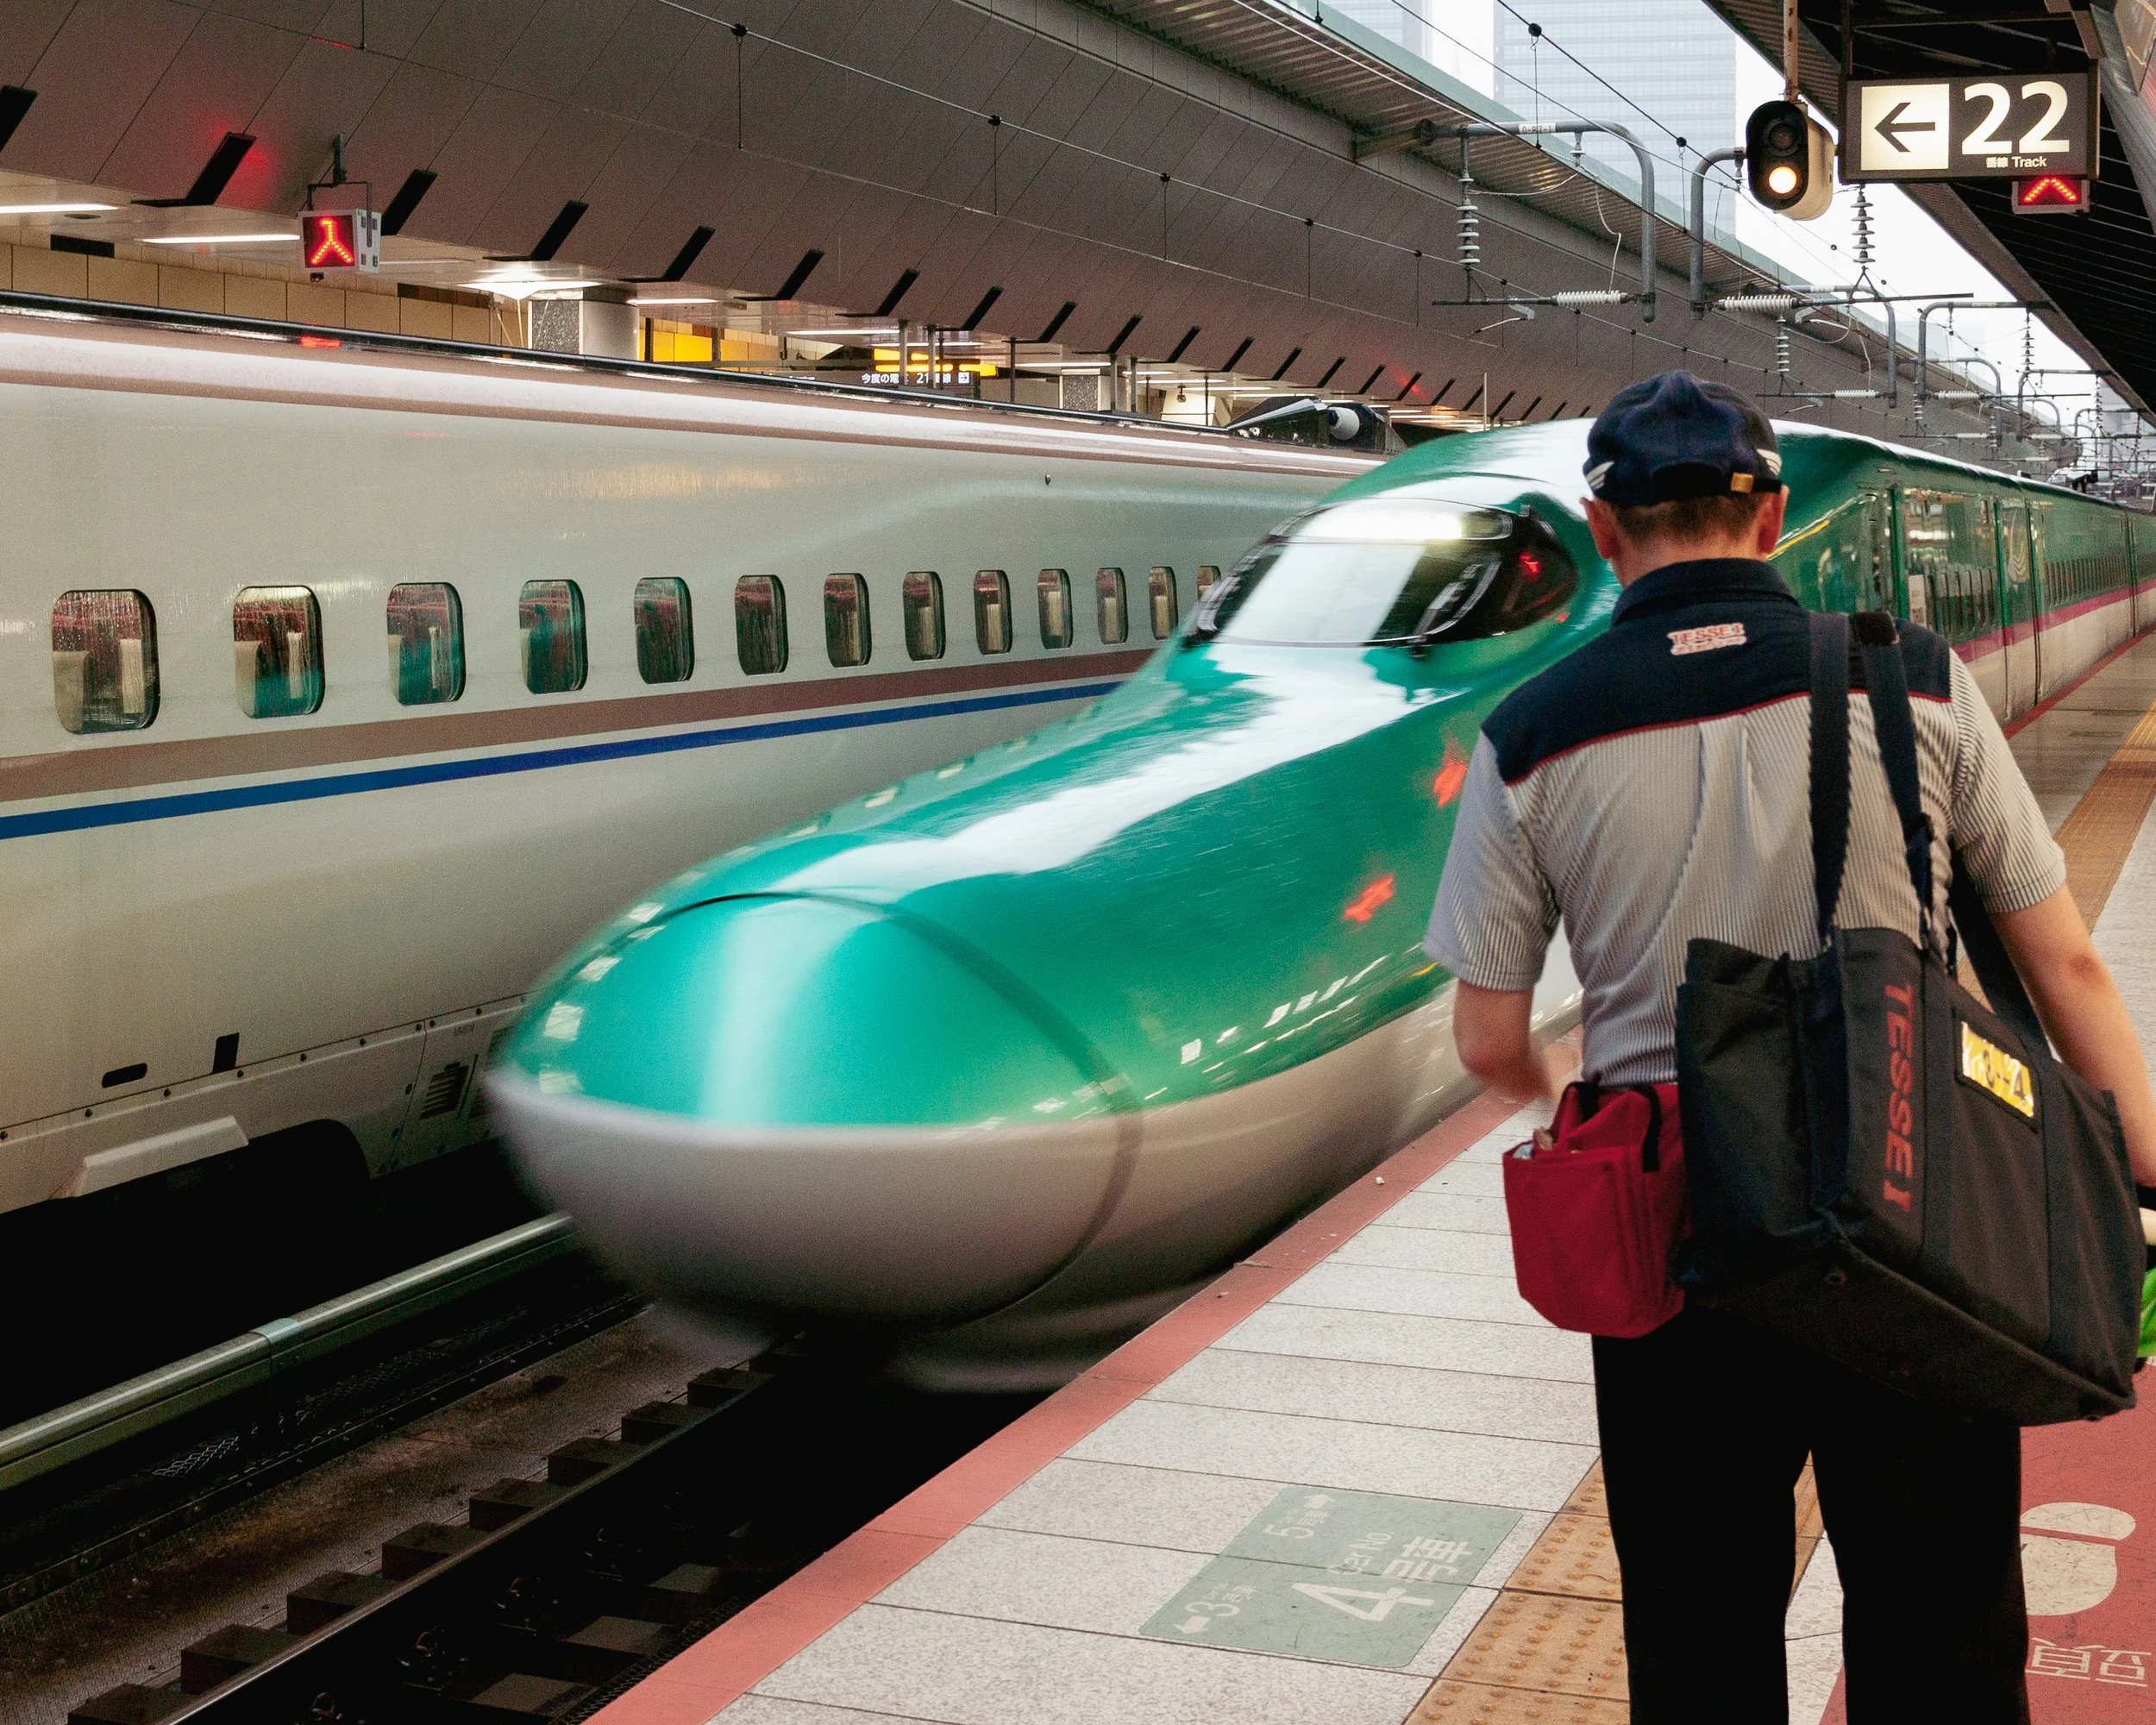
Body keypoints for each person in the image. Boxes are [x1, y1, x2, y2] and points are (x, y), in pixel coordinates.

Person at [1423, 370, 2156, 1724]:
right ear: (1768, 523)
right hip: (1914, 1199)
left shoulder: (1526, 737)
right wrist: (2143, 1177)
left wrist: (1574, 1094)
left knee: (1698, 1631)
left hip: (1681, 1235)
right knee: (1941, 1617)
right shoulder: (1916, 680)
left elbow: (1486, 1038)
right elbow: (2066, 964)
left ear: (1602, 528)